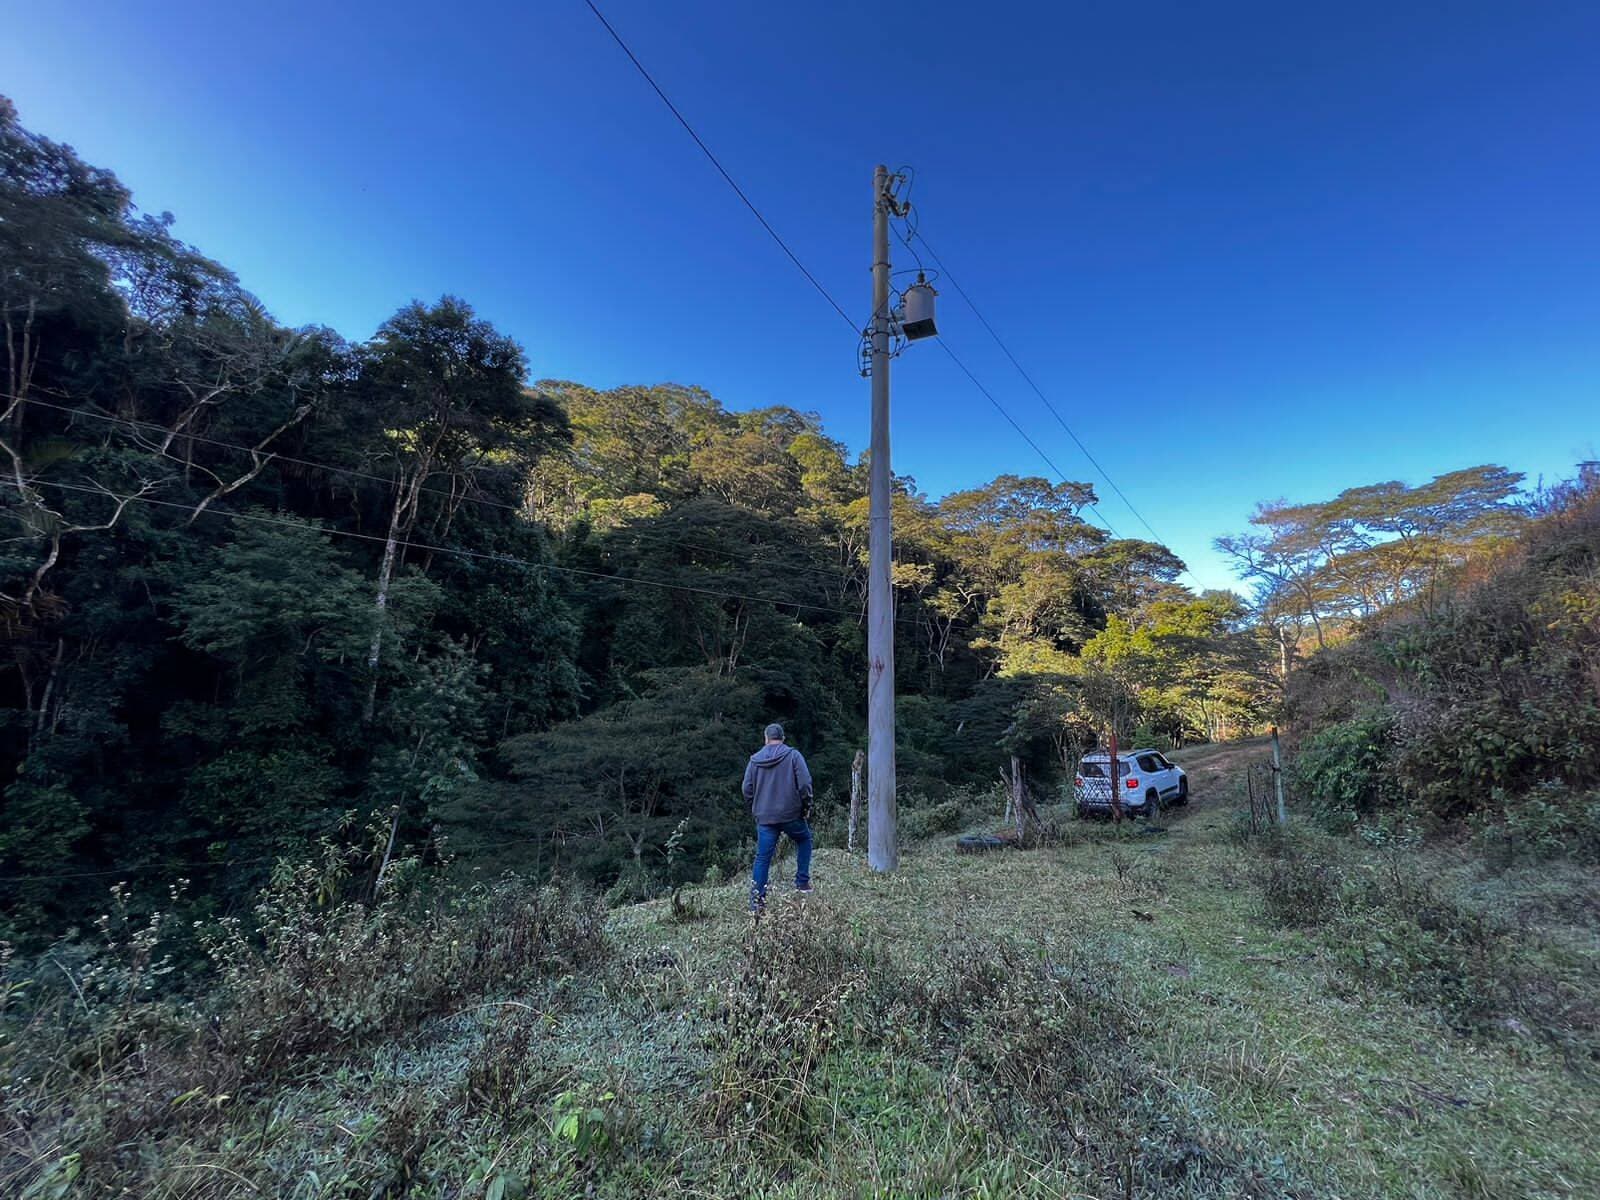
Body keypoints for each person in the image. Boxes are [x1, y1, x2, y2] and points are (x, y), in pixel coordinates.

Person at [743, 722, 814, 910]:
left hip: (765, 818)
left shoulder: (754, 761)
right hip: (791, 815)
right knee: (804, 839)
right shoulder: (793, 756)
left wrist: (756, 808)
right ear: (782, 738)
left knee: (762, 858)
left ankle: (757, 903)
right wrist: (806, 806)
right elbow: (805, 784)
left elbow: (746, 789)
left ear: (766, 738)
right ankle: (802, 883)